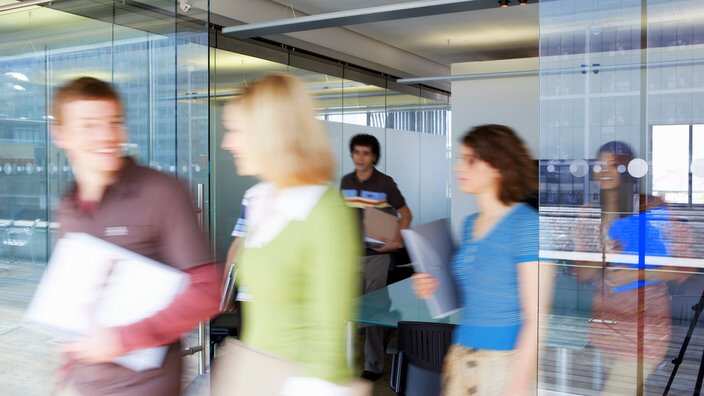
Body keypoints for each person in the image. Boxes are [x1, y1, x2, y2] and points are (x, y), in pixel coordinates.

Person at [50, 77, 221, 396]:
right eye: (89, 125)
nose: (106, 135)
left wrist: (123, 339)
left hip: (144, 387)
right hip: (83, 384)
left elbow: (208, 290)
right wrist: (67, 373)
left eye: (114, 122)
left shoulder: (162, 192)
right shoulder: (68, 206)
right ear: (60, 135)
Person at [220, 73, 360, 394]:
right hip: (260, 376)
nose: (227, 143)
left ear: (270, 134)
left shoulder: (322, 210)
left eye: (236, 131)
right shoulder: (259, 199)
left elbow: (327, 337)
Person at [413, 124, 553, 396]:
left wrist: (518, 384)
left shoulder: (526, 224)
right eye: (460, 159)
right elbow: (476, 294)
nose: (458, 168)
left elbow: (537, 318)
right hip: (462, 354)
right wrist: (432, 287)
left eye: (470, 160)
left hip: (503, 364)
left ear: (498, 166)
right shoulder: (469, 225)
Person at [573, 141, 694, 395]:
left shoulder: (652, 208)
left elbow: (683, 266)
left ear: (629, 171)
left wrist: (636, 273)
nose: (604, 171)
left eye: (613, 166)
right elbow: (582, 274)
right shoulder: (589, 213)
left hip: (645, 328)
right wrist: (603, 253)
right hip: (605, 326)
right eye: (599, 165)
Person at [340, 133, 413, 380]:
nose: (361, 157)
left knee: (372, 311)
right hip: (350, 256)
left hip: (376, 256)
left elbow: (404, 213)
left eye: (366, 153)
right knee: (350, 310)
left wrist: (397, 240)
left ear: (374, 157)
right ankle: (346, 359)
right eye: (357, 152)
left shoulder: (385, 183)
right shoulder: (346, 183)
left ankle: (373, 365)